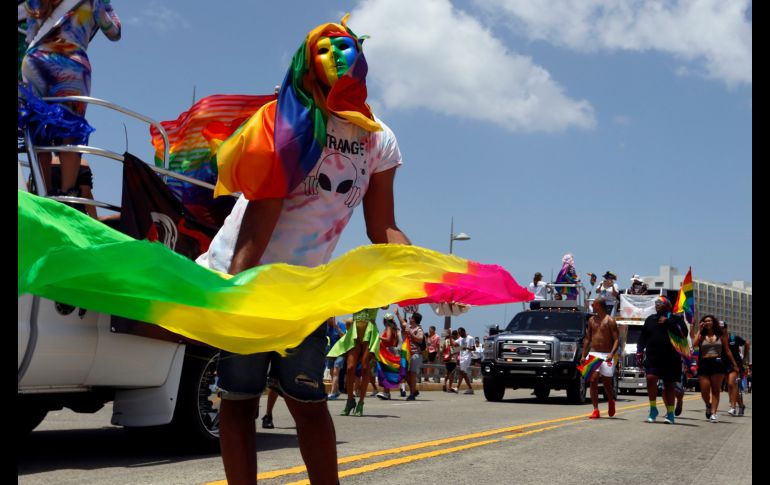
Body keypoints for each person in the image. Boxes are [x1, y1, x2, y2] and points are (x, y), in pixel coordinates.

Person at [195, 16, 411, 484]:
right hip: (247, 275)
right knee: (238, 401)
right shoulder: (287, 119)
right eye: (323, 48)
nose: (335, 55)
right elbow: (262, 211)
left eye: (345, 46)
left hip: (304, 291)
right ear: (307, 62)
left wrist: (424, 275)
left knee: (309, 404)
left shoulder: (378, 139)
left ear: (362, 57)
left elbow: (383, 226)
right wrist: (235, 288)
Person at [21, 0, 121, 198]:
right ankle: (67, 195)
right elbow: (114, 32)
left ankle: (43, 192)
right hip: (70, 62)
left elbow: (30, 35)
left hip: (34, 61)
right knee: (71, 129)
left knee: (39, 128)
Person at [637, 296, 687, 424]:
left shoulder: (676, 319)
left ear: (668, 306)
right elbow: (643, 337)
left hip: (671, 358)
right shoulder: (650, 319)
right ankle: (653, 409)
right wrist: (639, 351)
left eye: (660, 303)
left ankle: (670, 414)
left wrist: (668, 322)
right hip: (653, 356)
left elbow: (683, 334)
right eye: (656, 303)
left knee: (668, 385)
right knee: (650, 379)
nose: (657, 304)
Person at [693, 315, 739, 422]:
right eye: (705, 321)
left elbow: (727, 350)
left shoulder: (721, 334)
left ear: (713, 322)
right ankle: (708, 405)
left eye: (709, 320)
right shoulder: (701, 335)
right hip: (704, 363)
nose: (707, 322)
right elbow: (694, 345)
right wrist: (699, 330)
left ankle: (713, 413)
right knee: (704, 390)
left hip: (718, 364)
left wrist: (735, 364)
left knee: (715, 390)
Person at [579, 297, 619, 419]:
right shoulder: (591, 320)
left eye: (594, 305)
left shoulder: (610, 320)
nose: (592, 306)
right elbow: (587, 339)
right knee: (593, 380)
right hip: (594, 353)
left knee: (607, 383)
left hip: (607, 354)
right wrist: (583, 355)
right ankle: (595, 409)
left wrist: (612, 353)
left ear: (599, 306)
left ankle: (611, 401)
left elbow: (617, 339)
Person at [396, 308, 425, 400]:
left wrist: (411, 334)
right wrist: (397, 314)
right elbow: (403, 323)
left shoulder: (419, 329)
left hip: (415, 354)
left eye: (411, 317)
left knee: (412, 374)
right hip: (408, 354)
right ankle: (414, 390)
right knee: (405, 373)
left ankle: (412, 393)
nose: (409, 318)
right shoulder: (409, 327)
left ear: (414, 319)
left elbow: (420, 339)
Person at [721, 322, 749, 416]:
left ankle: (733, 407)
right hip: (724, 365)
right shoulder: (717, 339)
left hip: (735, 364)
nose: (721, 330)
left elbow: (747, 344)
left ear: (726, 328)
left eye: (722, 328)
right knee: (730, 388)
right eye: (719, 328)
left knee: (731, 383)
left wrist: (744, 358)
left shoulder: (734, 338)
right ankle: (741, 405)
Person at [376, 313, 400, 400]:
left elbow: (388, 339)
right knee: (387, 372)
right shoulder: (394, 329)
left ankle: (386, 392)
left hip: (387, 351)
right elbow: (395, 342)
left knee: (385, 372)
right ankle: (387, 392)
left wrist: (379, 337)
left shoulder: (388, 328)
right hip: (391, 350)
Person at [326, 319, 348, 400]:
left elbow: (344, 337)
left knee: (336, 372)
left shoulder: (340, 325)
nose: (328, 320)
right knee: (332, 373)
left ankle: (333, 393)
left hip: (340, 352)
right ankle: (336, 390)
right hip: (331, 352)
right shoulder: (326, 327)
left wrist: (337, 328)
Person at [456, 327, 475, 394]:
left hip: (467, 357)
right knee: (463, 373)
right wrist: (449, 336)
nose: (459, 334)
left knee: (462, 372)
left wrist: (466, 347)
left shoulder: (470, 338)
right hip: (461, 357)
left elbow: (473, 349)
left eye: (460, 332)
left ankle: (457, 388)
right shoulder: (460, 339)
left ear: (464, 331)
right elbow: (455, 344)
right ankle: (470, 388)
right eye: (458, 333)